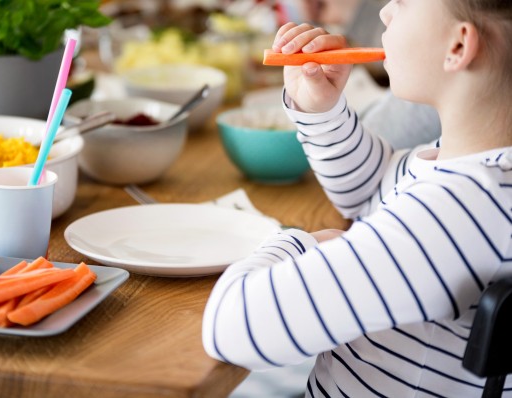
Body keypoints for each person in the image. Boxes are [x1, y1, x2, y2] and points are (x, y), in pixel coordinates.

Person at [203, 0, 512, 396]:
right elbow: (371, 192)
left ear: (458, 47)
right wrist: (322, 112)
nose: (384, 12)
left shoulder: (459, 212)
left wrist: (307, 242)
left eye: (401, 3)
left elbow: (231, 326)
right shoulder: (474, 172)